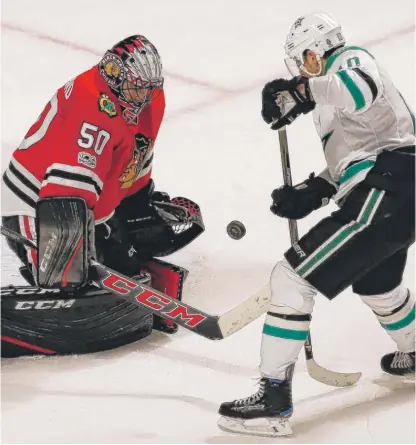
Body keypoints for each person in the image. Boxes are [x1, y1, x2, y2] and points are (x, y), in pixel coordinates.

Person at [218, 12, 415, 437]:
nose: (303, 72)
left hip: (389, 186)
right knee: (377, 286)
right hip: (396, 192)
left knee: (290, 279)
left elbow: (359, 89)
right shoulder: (331, 103)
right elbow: (353, 158)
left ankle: (272, 399)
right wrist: (312, 191)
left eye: (304, 63)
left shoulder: (350, 62)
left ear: (316, 51)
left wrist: (301, 91)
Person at [1, 35, 204, 357]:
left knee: (121, 261)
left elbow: (136, 153)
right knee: (64, 280)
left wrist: (138, 205)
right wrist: (69, 257)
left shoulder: (148, 97)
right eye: (137, 88)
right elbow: (65, 195)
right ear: (114, 76)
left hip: (93, 203)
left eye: (150, 88)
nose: (144, 96)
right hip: (35, 202)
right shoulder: (91, 107)